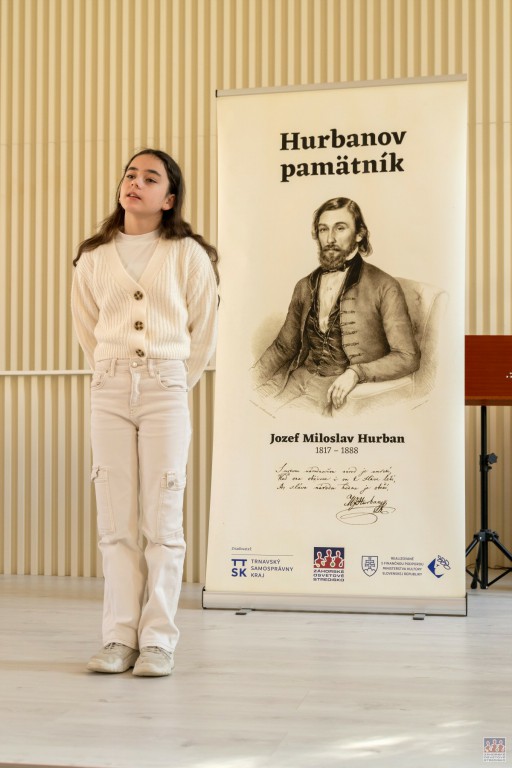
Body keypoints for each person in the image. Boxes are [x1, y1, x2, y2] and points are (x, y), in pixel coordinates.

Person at [71, 149, 218, 677]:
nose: (135, 182)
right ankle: (118, 638)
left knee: (163, 519)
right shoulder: (93, 257)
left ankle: (157, 641)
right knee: (115, 521)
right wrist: (115, 372)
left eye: (150, 178)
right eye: (130, 174)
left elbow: (203, 332)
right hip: (109, 389)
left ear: (169, 198)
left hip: (166, 387)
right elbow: (87, 329)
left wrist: (169, 380)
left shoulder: (188, 255)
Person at [252, 196, 420, 415]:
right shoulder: (304, 285)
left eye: (340, 228)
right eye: (323, 229)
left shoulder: (384, 285)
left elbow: (408, 356)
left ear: (359, 234)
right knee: (253, 404)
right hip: (295, 378)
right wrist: (250, 379)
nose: (330, 238)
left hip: (336, 391)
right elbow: (284, 347)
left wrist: (356, 373)